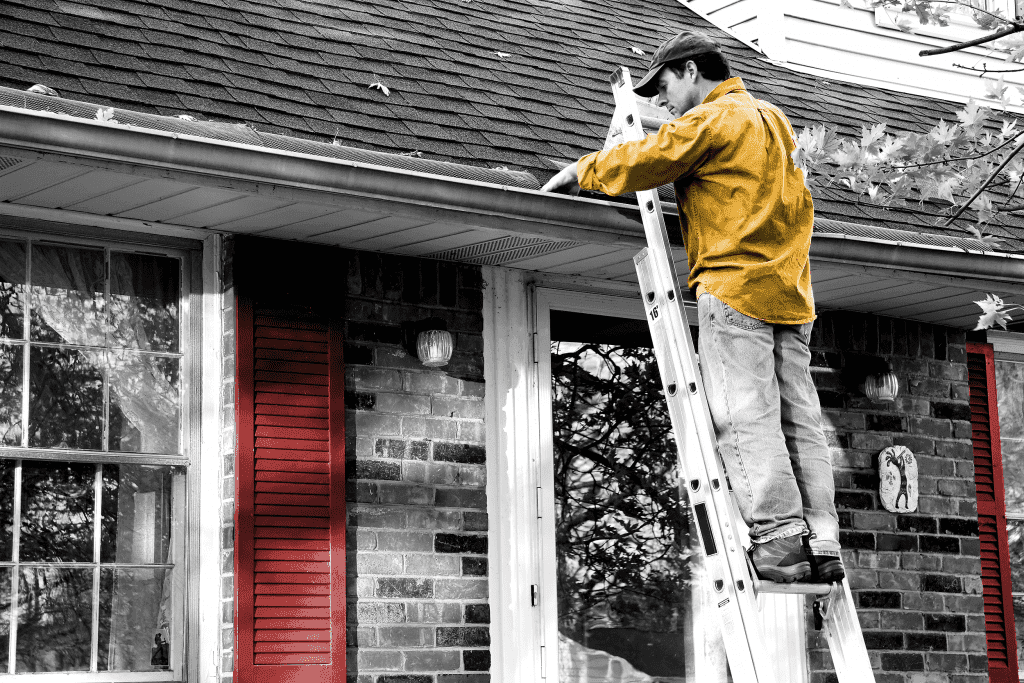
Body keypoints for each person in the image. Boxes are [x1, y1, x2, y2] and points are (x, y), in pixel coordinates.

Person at [542, 30, 843, 584]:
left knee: (744, 414)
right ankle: (821, 537)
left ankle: (779, 541)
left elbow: (654, 155)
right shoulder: (774, 121)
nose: (658, 102)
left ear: (690, 70)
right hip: (791, 295)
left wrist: (583, 171)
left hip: (736, 289)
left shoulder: (715, 119)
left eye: (662, 87)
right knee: (799, 419)